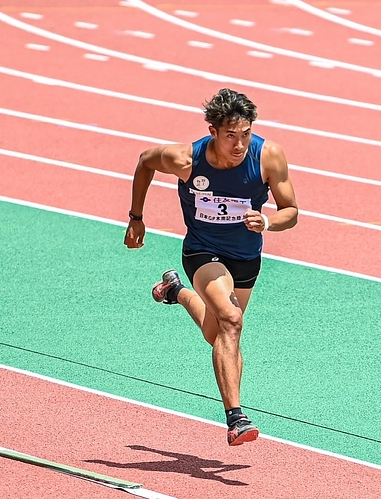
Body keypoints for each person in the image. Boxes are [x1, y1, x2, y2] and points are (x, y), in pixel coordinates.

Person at [124, 88, 298, 446]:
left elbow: (291, 211)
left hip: (246, 256)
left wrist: (268, 222)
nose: (240, 144)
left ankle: (175, 291)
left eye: (246, 134)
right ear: (213, 131)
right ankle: (236, 418)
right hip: (202, 251)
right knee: (232, 320)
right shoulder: (186, 160)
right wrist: (136, 217)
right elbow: (144, 161)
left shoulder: (268, 156)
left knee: (215, 332)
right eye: (231, 135)